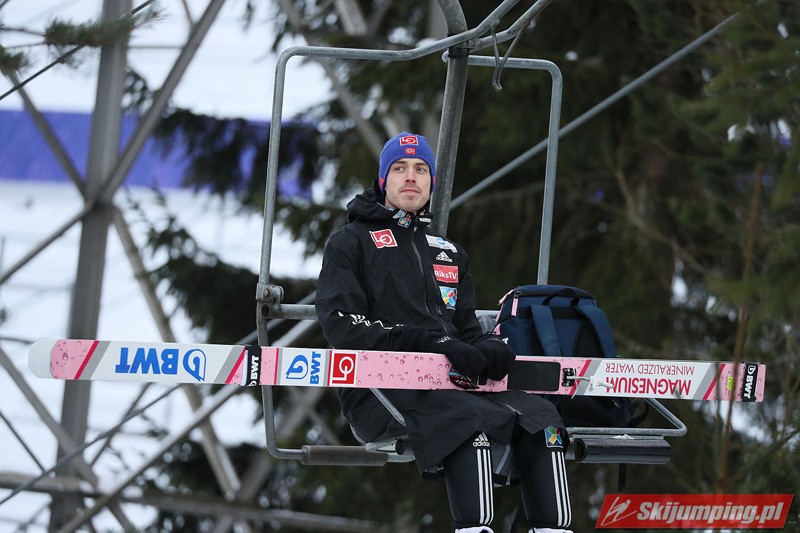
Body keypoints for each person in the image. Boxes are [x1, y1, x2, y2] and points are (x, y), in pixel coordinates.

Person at [315, 132, 573, 533]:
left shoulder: (447, 252)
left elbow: (466, 326)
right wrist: (424, 340)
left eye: (421, 169)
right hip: (380, 388)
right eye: (399, 168)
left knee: (543, 419)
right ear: (383, 180)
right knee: (465, 418)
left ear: (432, 182)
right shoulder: (352, 242)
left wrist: (487, 344)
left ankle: (553, 529)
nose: (410, 177)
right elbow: (341, 323)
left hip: (453, 383)